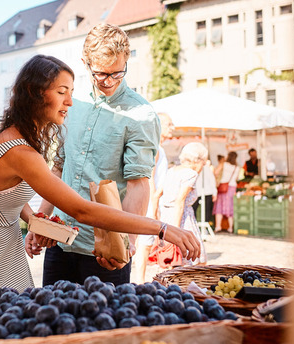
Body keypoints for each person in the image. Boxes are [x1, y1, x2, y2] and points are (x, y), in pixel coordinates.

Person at [0, 55, 200, 325]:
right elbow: (81, 210)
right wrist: (161, 228)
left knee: (7, 330)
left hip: (2, 244)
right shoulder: (21, 151)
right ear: (35, 93)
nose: (70, 102)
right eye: (62, 92)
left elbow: (4, 197)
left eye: (71, 92)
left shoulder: (18, 138)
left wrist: (35, 221)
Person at [28, 23, 162, 287]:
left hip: (105, 249)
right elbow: (58, 169)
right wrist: (39, 221)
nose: (109, 81)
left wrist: (128, 244)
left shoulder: (141, 115)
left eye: (117, 73)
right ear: (85, 63)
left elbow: (138, 184)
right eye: (101, 73)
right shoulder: (71, 104)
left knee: (101, 326)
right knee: (52, 323)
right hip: (60, 241)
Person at [149, 142, 209, 268]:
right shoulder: (191, 174)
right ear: (197, 160)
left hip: (166, 217)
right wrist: (176, 230)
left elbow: (156, 195)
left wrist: (155, 218)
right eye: (203, 162)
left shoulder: (171, 171)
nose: (203, 166)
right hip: (181, 218)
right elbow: (179, 202)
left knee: (173, 261)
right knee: (196, 259)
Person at [133, 112, 174, 284]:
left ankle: (140, 279)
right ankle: (139, 280)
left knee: (146, 243)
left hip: (153, 199)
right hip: (150, 199)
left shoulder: (158, 148)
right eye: (169, 124)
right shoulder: (155, 147)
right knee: (145, 243)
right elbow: (150, 177)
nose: (173, 128)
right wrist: (154, 204)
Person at [214, 151, 240, 233]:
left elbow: (215, 172)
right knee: (230, 206)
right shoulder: (237, 167)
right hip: (232, 188)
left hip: (223, 187)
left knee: (219, 206)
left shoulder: (224, 164)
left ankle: (218, 226)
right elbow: (237, 178)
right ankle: (230, 228)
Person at [192, 157, 217, 231]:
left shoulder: (206, 168)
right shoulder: (194, 168)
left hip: (205, 191)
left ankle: (203, 229)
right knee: (194, 210)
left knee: (206, 211)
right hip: (199, 192)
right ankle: (195, 228)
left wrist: (214, 192)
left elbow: (212, 180)